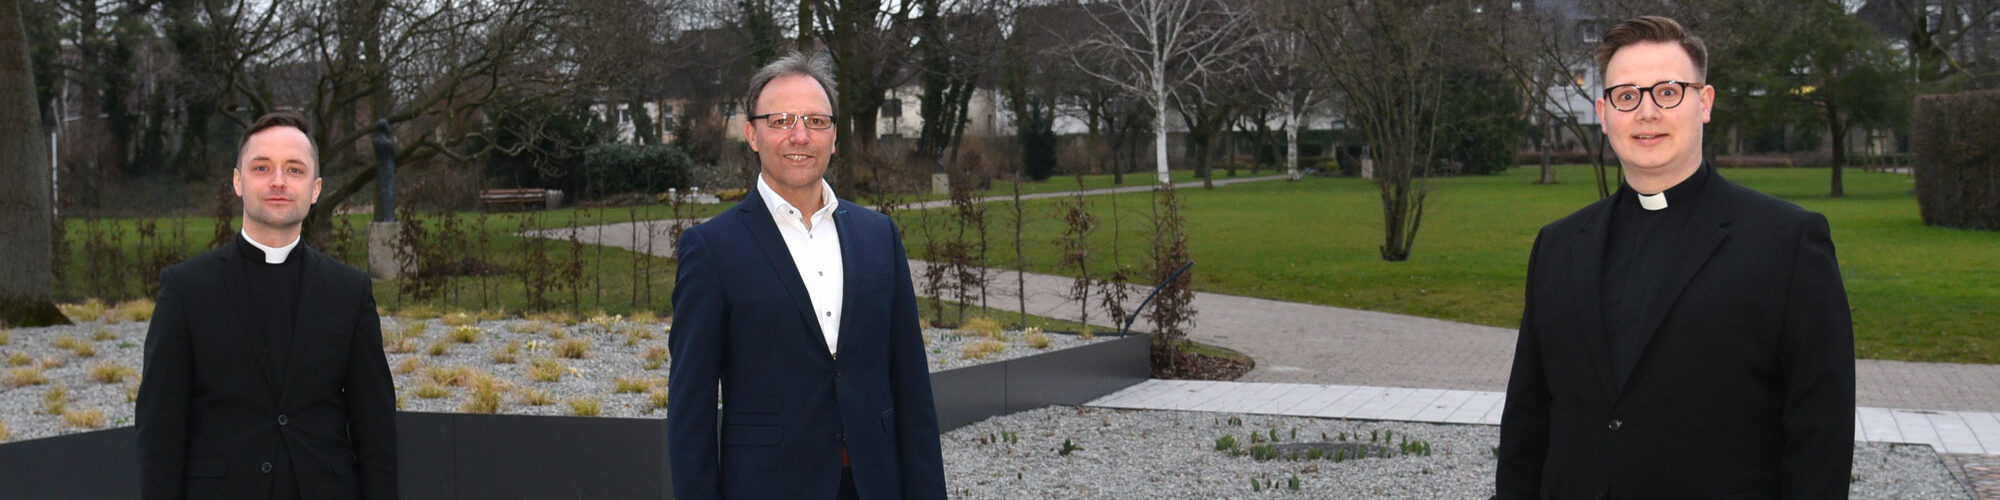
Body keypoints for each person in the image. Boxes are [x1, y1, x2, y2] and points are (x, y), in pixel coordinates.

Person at [1495, 16, 1855, 499]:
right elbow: (1527, 419)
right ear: (1604, 113)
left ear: (1704, 103)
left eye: (1668, 92)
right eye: (1627, 96)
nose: (1647, 112)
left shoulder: (1786, 243)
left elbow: (1821, 429)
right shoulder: (1558, 246)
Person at [666, 51, 947, 499]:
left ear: (834, 136)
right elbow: (690, 411)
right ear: (752, 134)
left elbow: (912, 389)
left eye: (816, 121)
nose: (800, 135)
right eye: (781, 120)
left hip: (875, 483)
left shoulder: (879, 236)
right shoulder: (712, 249)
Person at [137, 110, 399, 499]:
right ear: (237, 181)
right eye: (262, 168)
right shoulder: (185, 290)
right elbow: (160, 431)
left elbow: (375, 429)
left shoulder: (350, 291)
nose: (278, 181)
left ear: (315, 188)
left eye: (295, 170)